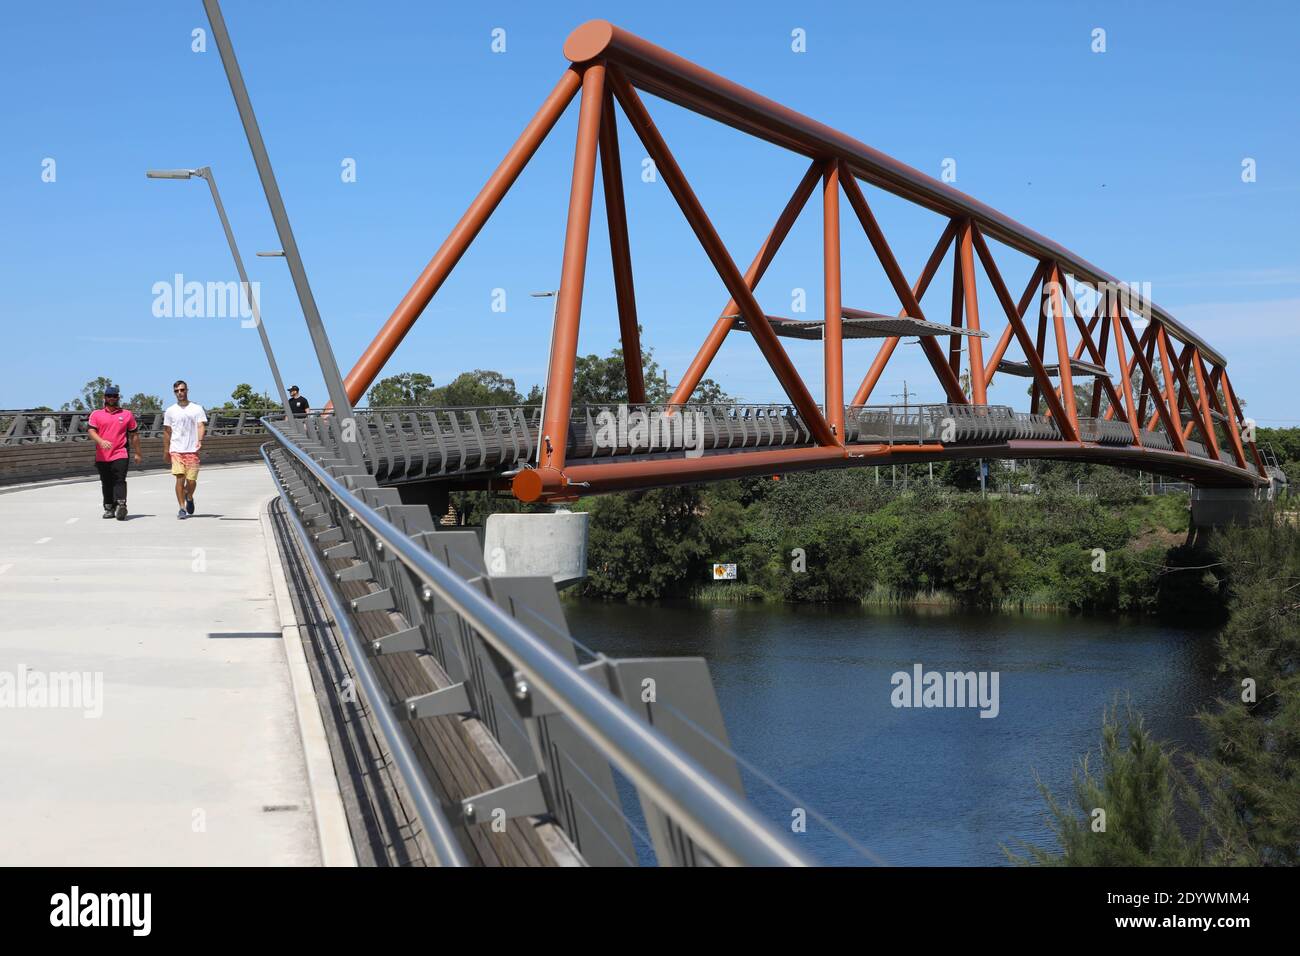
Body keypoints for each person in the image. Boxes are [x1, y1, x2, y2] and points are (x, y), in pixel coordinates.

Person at [87, 385, 142, 520]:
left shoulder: (127, 414)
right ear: (104, 398)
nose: (112, 398)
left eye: (114, 396)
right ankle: (109, 507)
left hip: (120, 452)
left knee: (120, 479)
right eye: (109, 396)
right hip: (102, 455)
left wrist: (138, 453)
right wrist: (101, 441)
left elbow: (134, 435)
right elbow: (91, 431)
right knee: (106, 482)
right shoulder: (96, 414)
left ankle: (121, 504)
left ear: (118, 397)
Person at [162, 380, 207, 520]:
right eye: (177, 391)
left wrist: (199, 440)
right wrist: (166, 451)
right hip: (176, 449)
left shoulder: (197, 408)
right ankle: (182, 508)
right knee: (180, 478)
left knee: (191, 481)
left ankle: (189, 495)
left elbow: (200, 426)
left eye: (182, 390)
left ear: (187, 390)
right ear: (174, 393)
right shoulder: (170, 411)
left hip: (192, 450)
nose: (180, 393)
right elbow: (167, 431)